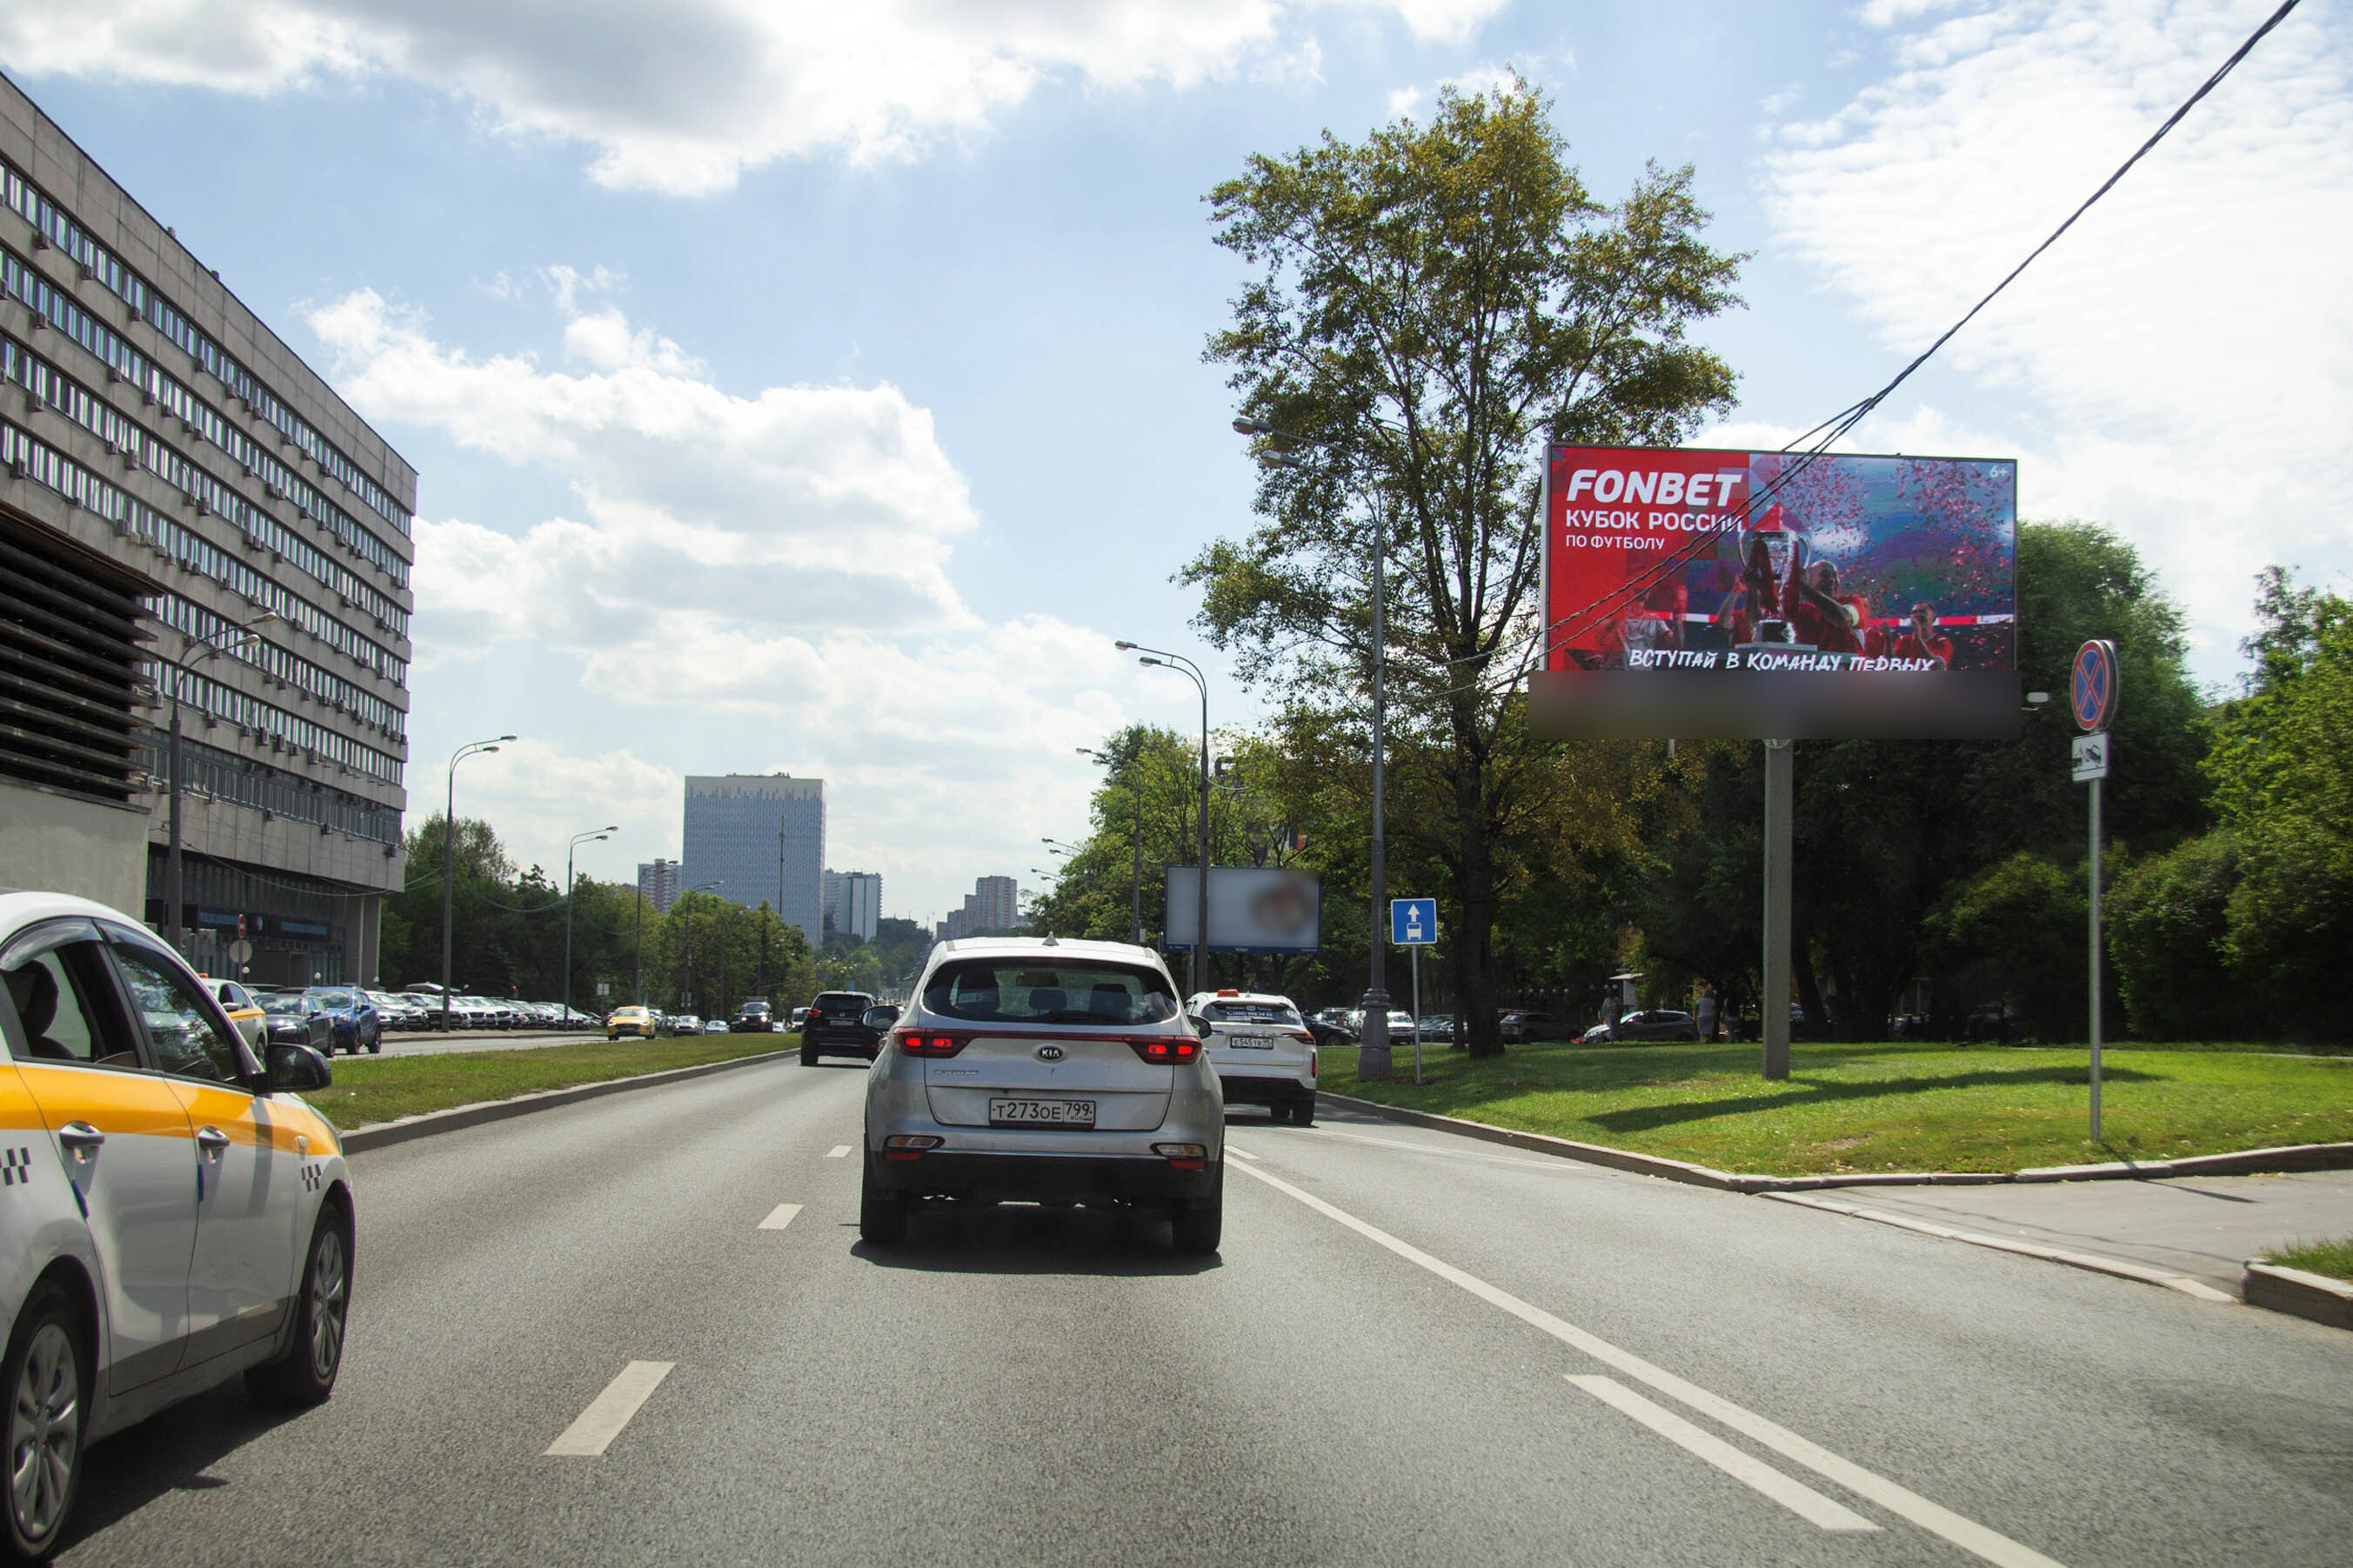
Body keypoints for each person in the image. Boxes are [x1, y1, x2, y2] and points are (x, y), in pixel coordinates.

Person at [1890, 602, 1955, 669]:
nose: (1917, 615)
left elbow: (1936, 666)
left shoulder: (1942, 642)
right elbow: (1891, 664)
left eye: (1922, 612)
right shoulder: (1903, 640)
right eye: (1914, 612)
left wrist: (1917, 636)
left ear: (1934, 617)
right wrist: (1887, 638)